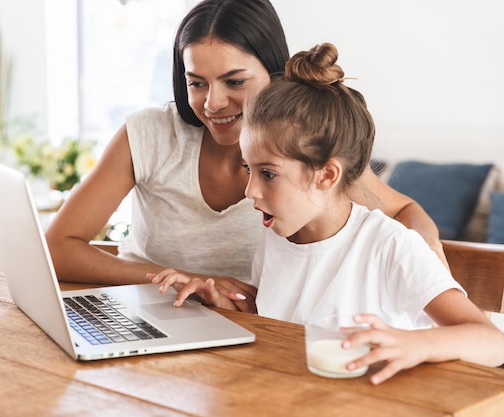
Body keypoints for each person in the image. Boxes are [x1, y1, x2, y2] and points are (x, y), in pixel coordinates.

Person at [45, 0, 444, 312]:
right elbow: (60, 246)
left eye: (234, 81)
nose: (213, 103)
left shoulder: (305, 149)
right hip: (147, 310)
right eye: (196, 83)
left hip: (248, 326)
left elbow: (405, 213)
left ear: (274, 72)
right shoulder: (149, 133)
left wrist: (429, 263)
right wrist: (184, 279)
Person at [151, 42, 504, 384]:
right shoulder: (276, 240)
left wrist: (414, 345)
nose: (250, 191)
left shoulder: (389, 246)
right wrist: (225, 303)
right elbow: (281, 319)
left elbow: (491, 342)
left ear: (327, 175)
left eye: (268, 174)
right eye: (249, 169)